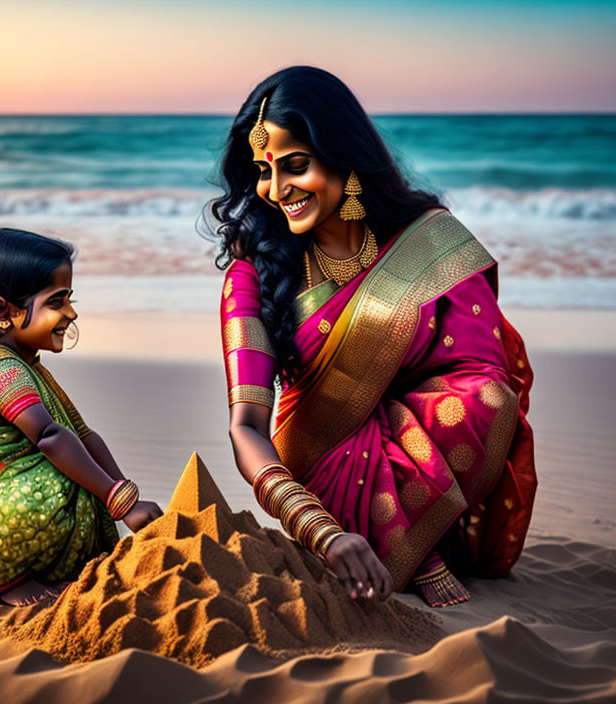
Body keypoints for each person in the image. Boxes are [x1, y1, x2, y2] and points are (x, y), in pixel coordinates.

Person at [206, 67, 536, 607]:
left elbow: (482, 367)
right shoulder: (254, 273)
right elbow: (245, 427)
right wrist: (318, 527)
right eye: (261, 171)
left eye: (295, 166)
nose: (276, 190)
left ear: (345, 157)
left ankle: (414, 539)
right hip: (319, 463)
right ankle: (399, 548)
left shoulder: (426, 240)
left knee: (488, 400)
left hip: (421, 449)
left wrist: (403, 418)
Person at [0, 228, 161, 607]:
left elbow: (83, 435)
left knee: (80, 469)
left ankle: (40, 566)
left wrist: (124, 496)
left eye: (70, 299)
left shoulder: (29, 366)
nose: (71, 314)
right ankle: (3, 578)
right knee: (62, 481)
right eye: (57, 302)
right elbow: (50, 436)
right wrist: (116, 500)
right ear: (3, 312)